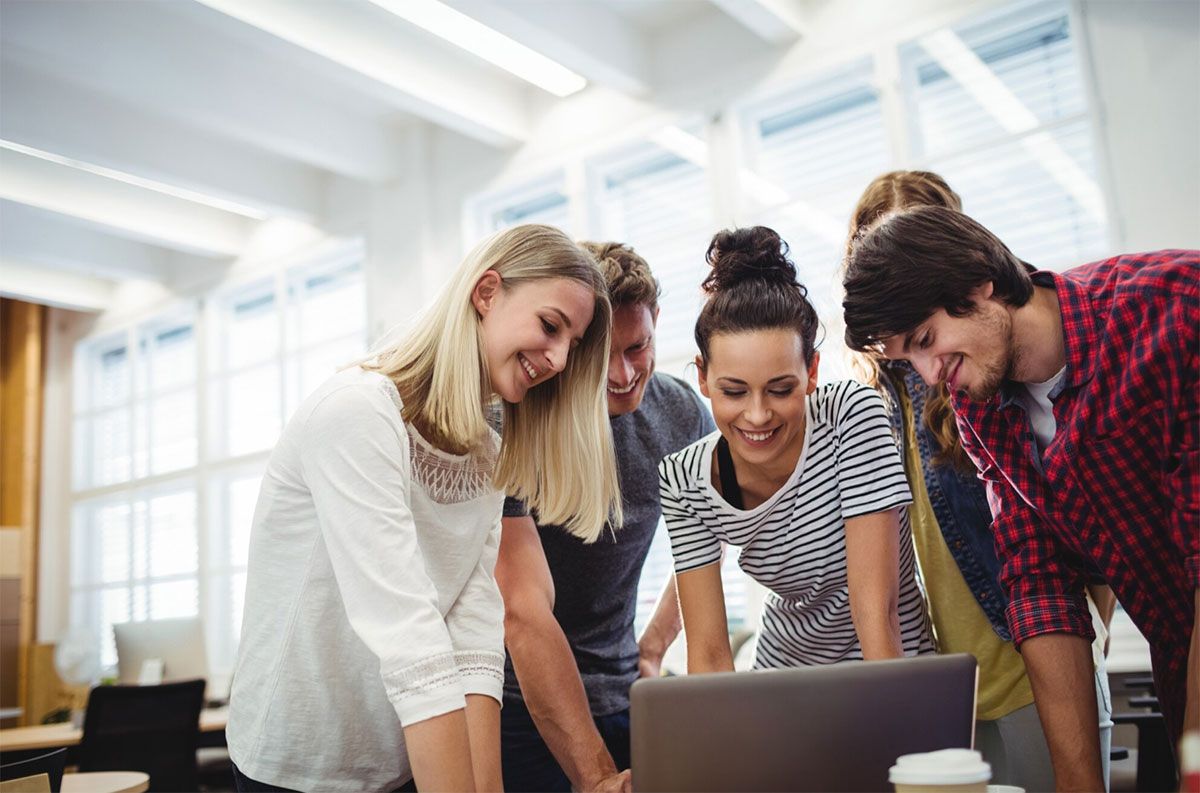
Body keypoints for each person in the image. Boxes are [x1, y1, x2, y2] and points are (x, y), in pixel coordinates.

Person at [226, 224, 623, 793]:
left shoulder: (487, 449)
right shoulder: (356, 413)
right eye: (550, 326)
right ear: (487, 293)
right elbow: (409, 635)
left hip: (397, 760)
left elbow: (474, 631)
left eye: (573, 344)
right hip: (299, 762)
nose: (559, 358)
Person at [842, 206, 1198, 791]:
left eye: (927, 340)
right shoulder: (978, 406)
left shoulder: (1174, 310)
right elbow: (1039, 586)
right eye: (909, 357)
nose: (931, 375)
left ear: (979, 283)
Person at [659, 226, 933, 676]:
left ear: (811, 371)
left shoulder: (851, 416)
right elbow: (708, 654)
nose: (758, 414)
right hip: (784, 677)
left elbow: (877, 612)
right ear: (703, 378)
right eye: (734, 391)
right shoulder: (684, 481)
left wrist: (893, 719)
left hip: (891, 669)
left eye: (780, 389)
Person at [497, 242, 715, 793]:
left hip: (624, 695)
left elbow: (714, 533)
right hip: (518, 705)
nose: (622, 374)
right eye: (603, 357)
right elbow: (520, 612)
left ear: (657, 324)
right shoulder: (516, 421)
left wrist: (654, 646)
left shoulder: (681, 412)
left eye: (638, 347)